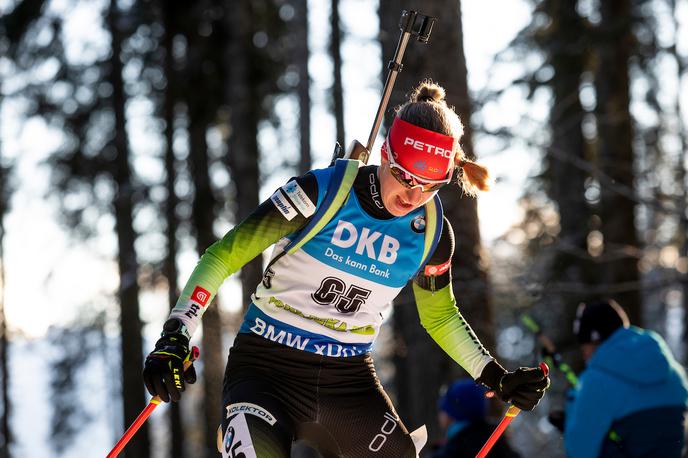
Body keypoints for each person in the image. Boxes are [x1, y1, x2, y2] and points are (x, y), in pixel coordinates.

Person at [142, 80, 550, 458]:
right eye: (405, 177)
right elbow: (224, 255)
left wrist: (496, 377)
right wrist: (175, 333)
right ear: (385, 156)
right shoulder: (321, 191)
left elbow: (440, 316)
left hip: (347, 381)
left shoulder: (431, 233)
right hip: (267, 367)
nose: (412, 195)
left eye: (430, 186)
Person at [563, 299, 688, 458]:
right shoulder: (672, 371)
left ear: (595, 340)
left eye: (584, 346)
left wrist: (571, 414)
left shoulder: (596, 380)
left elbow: (579, 450)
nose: (584, 355)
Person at [431, 379, 520, 458]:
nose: (440, 414)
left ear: (452, 414)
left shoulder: (452, 452)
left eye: (443, 408)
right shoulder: (500, 446)